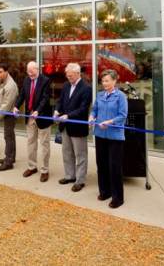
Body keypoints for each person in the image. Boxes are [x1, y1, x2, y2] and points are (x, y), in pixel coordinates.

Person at [89, 69, 128, 208]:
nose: (104, 83)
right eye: (103, 81)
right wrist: (91, 117)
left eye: (107, 81)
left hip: (115, 137)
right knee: (102, 164)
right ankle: (105, 191)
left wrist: (110, 122)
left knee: (114, 167)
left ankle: (118, 198)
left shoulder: (121, 96)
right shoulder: (99, 95)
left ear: (114, 81)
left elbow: (123, 116)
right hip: (100, 134)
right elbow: (94, 110)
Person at [54, 63, 92, 192]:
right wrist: (56, 111)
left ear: (78, 73)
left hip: (77, 127)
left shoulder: (86, 88)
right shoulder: (66, 85)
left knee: (80, 155)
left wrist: (68, 116)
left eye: (70, 75)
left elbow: (83, 108)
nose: (68, 77)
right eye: (67, 75)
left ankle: (80, 180)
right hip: (65, 126)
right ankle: (70, 176)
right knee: (67, 153)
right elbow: (60, 101)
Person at [14, 61, 53, 182]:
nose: (30, 73)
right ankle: (32, 167)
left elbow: (45, 98)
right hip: (30, 116)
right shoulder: (26, 80)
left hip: (42, 117)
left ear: (37, 69)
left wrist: (38, 111)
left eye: (32, 71)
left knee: (44, 144)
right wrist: (16, 106)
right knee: (31, 143)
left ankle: (45, 170)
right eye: (28, 71)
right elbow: (22, 95)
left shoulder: (45, 80)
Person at [0, 64, 19, 171]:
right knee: (9, 136)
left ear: (7, 72)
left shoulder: (10, 86)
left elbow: (6, 105)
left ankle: (8, 162)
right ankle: (11, 157)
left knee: (8, 136)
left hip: (9, 114)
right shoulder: (2, 79)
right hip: (5, 112)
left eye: (0, 72)